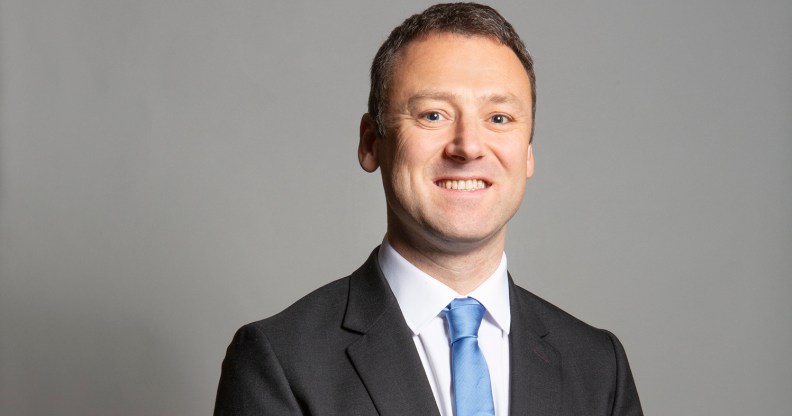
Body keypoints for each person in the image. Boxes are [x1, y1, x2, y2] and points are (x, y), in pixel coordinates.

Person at [214, 3, 643, 415]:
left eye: (498, 118)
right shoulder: (280, 362)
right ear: (371, 143)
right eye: (433, 115)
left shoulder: (599, 367)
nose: (468, 147)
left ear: (528, 152)